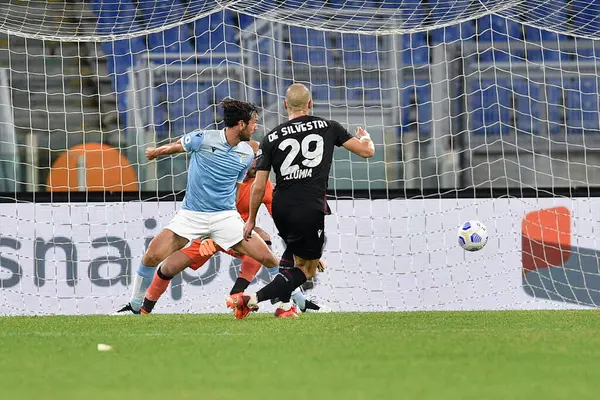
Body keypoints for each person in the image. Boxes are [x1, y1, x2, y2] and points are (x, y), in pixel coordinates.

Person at [116, 99, 279, 314]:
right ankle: (137, 305)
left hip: (224, 218)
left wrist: (232, 221)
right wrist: (157, 152)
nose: (256, 127)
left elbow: (236, 188)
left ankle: (293, 301)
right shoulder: (204, 138)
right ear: (241, 124)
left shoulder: (246, 154)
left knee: (268, 256)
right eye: (253, 123)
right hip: (192, 215)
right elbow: (179, 146)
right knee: (153, 256)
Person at [228, 83, 375, 318]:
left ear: (285, 105)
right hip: (309, 206)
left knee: (295, 257)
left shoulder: (271, 136)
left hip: (281, 207)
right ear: (310, 104)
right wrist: (366, 138)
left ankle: (285, 307)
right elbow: (366, 152)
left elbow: (258, 186)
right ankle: (251, 299)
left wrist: (251, 221)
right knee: (307, 269)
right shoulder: (329, 127)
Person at [138, 141, 328, 317]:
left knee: (264, 242)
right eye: (257, 159)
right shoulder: (223, 177)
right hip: (205, 235)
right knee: (169, 267)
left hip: (237, 236)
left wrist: (306, 249)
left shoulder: (262, 184)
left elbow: (282, 221)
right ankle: (143, 309)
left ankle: (250, 295)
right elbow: (199, 215)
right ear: (244, 157)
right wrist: (207, 239)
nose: (261, 164)